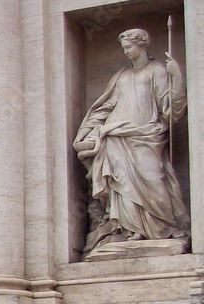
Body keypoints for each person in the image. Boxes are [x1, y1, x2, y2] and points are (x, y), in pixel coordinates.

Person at [74, 28, 189, 251]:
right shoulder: (121, 77)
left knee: (153, 178)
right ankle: (130, 229)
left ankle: (161, 227)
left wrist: (177, 77)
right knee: (122, 182)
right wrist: (87, 131)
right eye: (124, 48)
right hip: (117, 136)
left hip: (147, 135)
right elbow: (104, 108)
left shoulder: (157, 71)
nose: (126, 52)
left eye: (129, 47)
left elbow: (172, 110)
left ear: (142, 45)